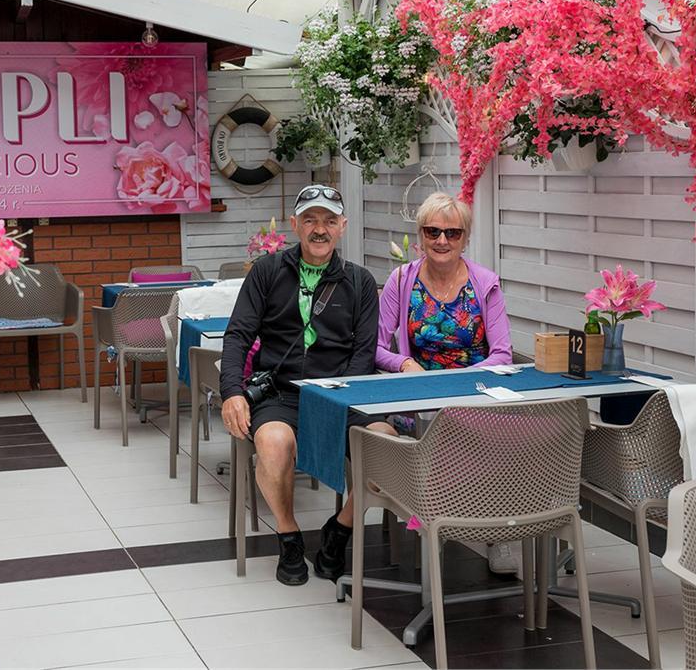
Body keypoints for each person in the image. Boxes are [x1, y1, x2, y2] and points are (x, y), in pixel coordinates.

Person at [219, 184, 396, 586]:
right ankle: (289, 534)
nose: (320, 229)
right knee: (273, 443)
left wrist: (334, 403)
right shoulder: (267, 272)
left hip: (341, 395)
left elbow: (363, 354)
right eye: (311, 220)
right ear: (295, 225)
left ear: (342, 226)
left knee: (387, 445)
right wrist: (231, 391)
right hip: (282, 394)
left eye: (329, 221)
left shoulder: (360, 281)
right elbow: (238, 336)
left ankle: (340, 529)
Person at [375, 191, 518, 573]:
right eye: (433, 231)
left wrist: (458, 382)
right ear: (420, 235)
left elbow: (502, 354)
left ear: (465, 238)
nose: (442, 240)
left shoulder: (485, 283)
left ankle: (498, 531)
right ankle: (436, 519)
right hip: (419, 400)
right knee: (432, 432)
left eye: (452, 233)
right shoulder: (401, 281)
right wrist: (405, 362)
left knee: (495, 433)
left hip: (475, 394)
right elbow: (375, 347)